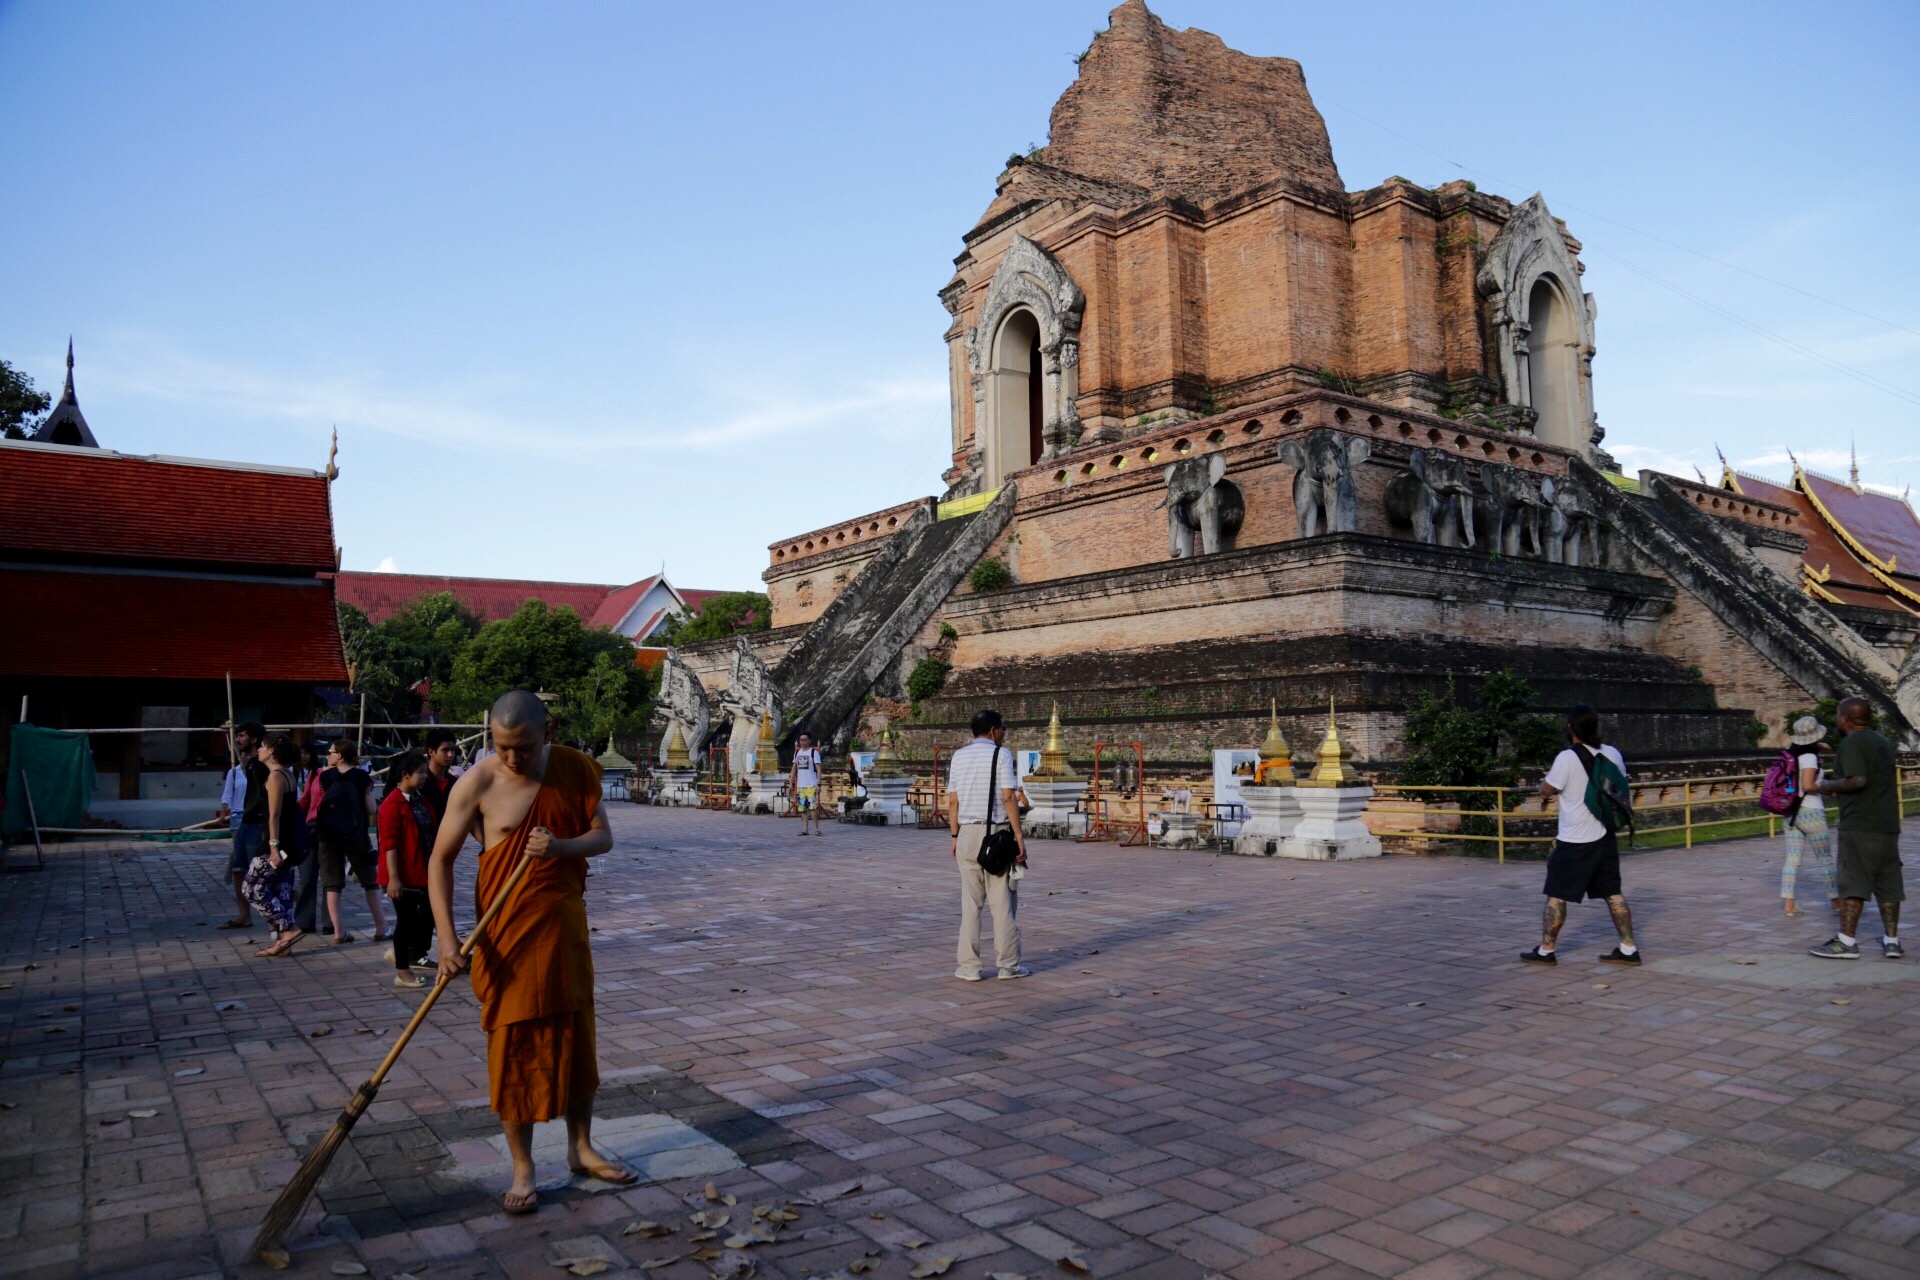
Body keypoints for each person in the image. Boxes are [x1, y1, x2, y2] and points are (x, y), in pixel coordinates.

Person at [428, 689, 635, 1215]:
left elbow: (602, 837)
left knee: (575, 1035)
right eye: (502, 747)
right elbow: (439, 862)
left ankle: (580, 1146)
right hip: (505, 938)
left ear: (548, 733)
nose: (513, 758)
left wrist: (562, 847)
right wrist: (448, 941)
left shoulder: (574, 769)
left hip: (562, 929)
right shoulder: (477, 782)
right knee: (512, 1045)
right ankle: (523, 1167)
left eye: (523, 747)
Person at [1523, 705, 1641, 967]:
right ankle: (1629, 948)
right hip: (1605, 835)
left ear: (1570, 729)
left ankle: (1546, 950)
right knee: (1613, 893)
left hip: (1574, 839)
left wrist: (1542, 785)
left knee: (1557, 894)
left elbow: (1548, 789)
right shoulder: (1612, 753)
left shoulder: (1566, 758)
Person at [1809, 697, 1903, 959]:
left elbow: (1857, 780)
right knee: (1888, 883)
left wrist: (1826, 787)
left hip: (1860, 823)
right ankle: (1892, 940)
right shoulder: (1882, 742)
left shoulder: (1851, 743)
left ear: (1844, 719)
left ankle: (1846, 942)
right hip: (1887, 823)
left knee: (1853, 881)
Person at [945, 708, 1028, 982]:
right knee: (1001, 903)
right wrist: (1018, 835)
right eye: (1003, 728)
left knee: (970, 905)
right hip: (997, 835)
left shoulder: (959, 756)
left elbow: (953, 801)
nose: (1005, 733)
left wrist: (955, 836)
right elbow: (1007, 797)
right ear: (993, 730)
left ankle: (969, 967)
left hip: (967, 834)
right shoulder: (1000, 753)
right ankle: (1008, 966)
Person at [312, 739, 386, 944]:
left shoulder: (325, 777)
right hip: (356, 835)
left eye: (331, 752)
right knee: (370, 881)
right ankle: (381, 927)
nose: (328, 755)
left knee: (332, 883)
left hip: (328, 835)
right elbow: (371, 809)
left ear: (340, 755)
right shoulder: (362, 777)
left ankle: (338, 931)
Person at [245, 734, 308, 957]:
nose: (259, 750)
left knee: (253, 889)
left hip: (278, 842)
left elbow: (274, 815)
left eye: (262, 746)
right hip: (289, 842)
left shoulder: (276, 777)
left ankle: (288, 929)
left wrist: (273, 847)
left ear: (271, 751)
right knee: (282, 890)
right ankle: (283, 944)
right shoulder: (287, 774)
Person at [378, 751, 437, 989]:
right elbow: (389, 845)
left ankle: (402, 952)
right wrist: (394, 878)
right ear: (405, 775)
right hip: (403, 874)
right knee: (406, 920)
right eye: (420, 773)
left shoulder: (420, 799)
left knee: (428, 914)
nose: (425, 777)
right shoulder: (392, 804)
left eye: (425, 772)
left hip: (423, 870)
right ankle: (402, 971)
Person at [1779, 716, 1837, 919]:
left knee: (1792, 859)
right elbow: (1809, 785)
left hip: (1791, 812)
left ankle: (1789, 904)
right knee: (1825, 859)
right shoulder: (1810, 758)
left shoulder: (1790, 755)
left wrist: (1820, 747)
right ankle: (1836, 901)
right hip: (1811, 812)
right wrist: (1829, 789)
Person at [218, 721, 267, 929]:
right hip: (243, 820)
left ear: (254, 739)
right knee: (239, 868)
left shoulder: (264, 766)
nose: (237, 740)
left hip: (259, 822)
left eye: (241, 736)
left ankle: (280, 911)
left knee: (260, 870)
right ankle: (243, 915)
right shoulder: (243, 768)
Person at [420, 728, 461, 824]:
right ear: (431, 752)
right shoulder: (420, 784)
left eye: (452, 750)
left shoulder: (455, 783)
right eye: (445, 750)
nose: (450, 755)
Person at [789, 732, 824, 836]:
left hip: (811, 784)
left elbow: (818, 768)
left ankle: (816, 829)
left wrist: (819, 783)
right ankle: (805, 829)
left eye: (805, 740)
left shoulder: (813, 752)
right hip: (801, 785)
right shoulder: (797, 753)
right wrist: (791, 783)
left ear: (809, 741)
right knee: (802, 809)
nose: (803, 742)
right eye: (801, 740)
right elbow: (794, 768)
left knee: (813, 808)